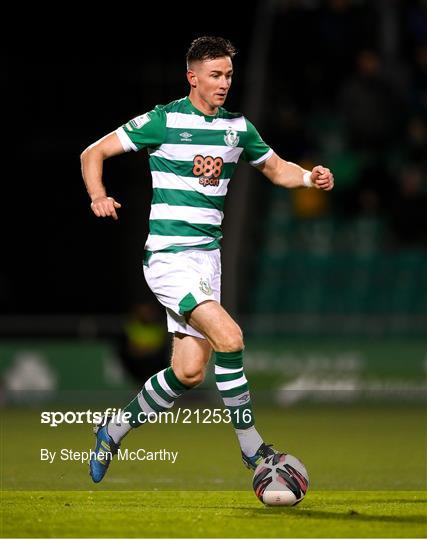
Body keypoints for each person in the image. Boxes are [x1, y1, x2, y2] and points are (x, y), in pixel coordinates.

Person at [80, 36, 334, 483]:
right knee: (230, 337)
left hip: (206, 262)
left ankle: (113, 429)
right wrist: (99, 196)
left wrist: (310, 178)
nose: (223, 83)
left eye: (229, 75)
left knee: (189, 372)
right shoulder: (163, 120)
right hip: (168, 258)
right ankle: (252, 448)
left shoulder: (238, 127)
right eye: (215, 75)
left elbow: (277, 170)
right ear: (192, 77)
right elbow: (92, 153)